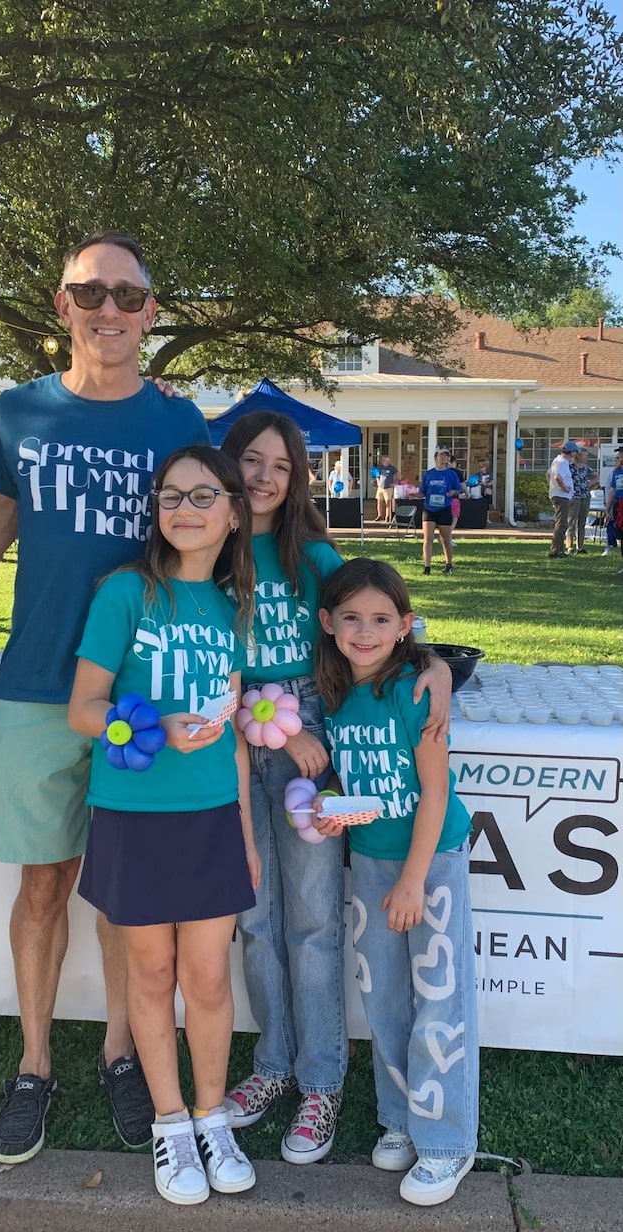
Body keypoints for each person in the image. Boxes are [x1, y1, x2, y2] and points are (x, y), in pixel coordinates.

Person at [0, 231, 210, 1163]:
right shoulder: (15, 414)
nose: (108, 308)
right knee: (43, 888)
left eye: (127, 294)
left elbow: (223, 545)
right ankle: (36, 1064)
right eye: (89, 291)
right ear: (62, 305)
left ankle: (118, 1052)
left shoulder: (180, 422)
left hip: (145, 699)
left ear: (149, 313)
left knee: (125, 900)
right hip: (37, 690)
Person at [219, 412, 452, 1165]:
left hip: (308, 742)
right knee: (254, 918)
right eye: (250, 460)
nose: (262, 476)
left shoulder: (312, 555)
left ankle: (321, 1080)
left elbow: (375, 629)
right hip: (229, 737)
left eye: (279, 466)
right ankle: (273, 1065)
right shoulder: (209, 551)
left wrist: (439, 668)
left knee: (314, 920)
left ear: (296, 481)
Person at [68, 445, 259, 1206]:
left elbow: (236, 728)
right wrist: (149, 725)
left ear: (234, 513)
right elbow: (83, 708)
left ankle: (214, 1116)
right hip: (135, 815)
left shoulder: (230, 606)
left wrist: (244, 831)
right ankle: (170, 1126)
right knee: (149, 972)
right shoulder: (126, 592)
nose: (185, 508)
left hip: (211, 816)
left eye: (203, 495)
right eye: (171, 495)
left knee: (208, 977)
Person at [315, 557, 478, 1208]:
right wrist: (333, 810)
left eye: (381, 619)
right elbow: (359, 786)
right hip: (372, 860)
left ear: (406, 626)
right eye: (351, 617)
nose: (364, 630)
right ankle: (402, 1119)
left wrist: (414, 880)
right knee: (382, 997)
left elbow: (433, 792)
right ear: (327, 623)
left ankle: (446, 1142)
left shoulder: (417, 689)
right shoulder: (333, 695)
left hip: (428, 859)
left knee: (439, 1000)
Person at [420, 448, 460, 575]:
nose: (444, 458)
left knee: (445, 539)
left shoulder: (451, 474)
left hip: (444, 509)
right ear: (435, 456)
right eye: (441, 455)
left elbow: (457, 490)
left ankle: (448, 564)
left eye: (446, 456)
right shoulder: (428, 474)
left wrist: (453, 493)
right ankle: (427, 567)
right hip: (429, 509)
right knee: (428, 538)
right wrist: (413, 494)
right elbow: (423, 491)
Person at [546, 441, 577, 558]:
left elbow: (547, 474)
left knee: (561, 522)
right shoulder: (563, 462)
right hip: (561, 496)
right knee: (562, 523)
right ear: (572, 452)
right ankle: (556, 551)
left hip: (556, 494)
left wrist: (552, 487)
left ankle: (558, 549)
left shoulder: (556, 460)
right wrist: (564, 488)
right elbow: (557, 477)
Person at [565, 448, 593, 555]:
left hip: (585, 496)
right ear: (578, 456)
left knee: (582, 522)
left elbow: (596, 476)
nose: (586, 457)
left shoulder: (586, 468)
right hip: (574, 497)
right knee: (572, 522)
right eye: (585, 455)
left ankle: (580, 547)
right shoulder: (570, 468)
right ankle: (569, 546)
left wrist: (589, 485)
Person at [602, 445, 623, 563]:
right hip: (619, 506)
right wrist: (608, 508)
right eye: (619, 454)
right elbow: (612, 490)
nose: (620, 456)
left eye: (621, 453)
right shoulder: (616, 471)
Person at [447, 455, 468, 539]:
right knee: (454, 518)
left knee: (446, 520)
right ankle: (447, 536)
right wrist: (467, 494)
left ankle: (448, 537)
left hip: (443, 499)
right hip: (454, 498)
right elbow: (462, 486)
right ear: (452, 462)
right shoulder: (457, 473)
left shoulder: (443, 472)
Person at [375, 455, 399, 522]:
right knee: (379, 501)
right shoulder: (380, 468)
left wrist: (395, 483)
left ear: (388, 461)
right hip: (380, 487)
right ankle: (379, 515)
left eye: (384, 460)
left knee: (388, 502)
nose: (383, 462)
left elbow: (398, 475)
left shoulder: (392, 468)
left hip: (388, 488)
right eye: (382, 460)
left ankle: (387, 516)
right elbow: (376, 475)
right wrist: (378, 481)